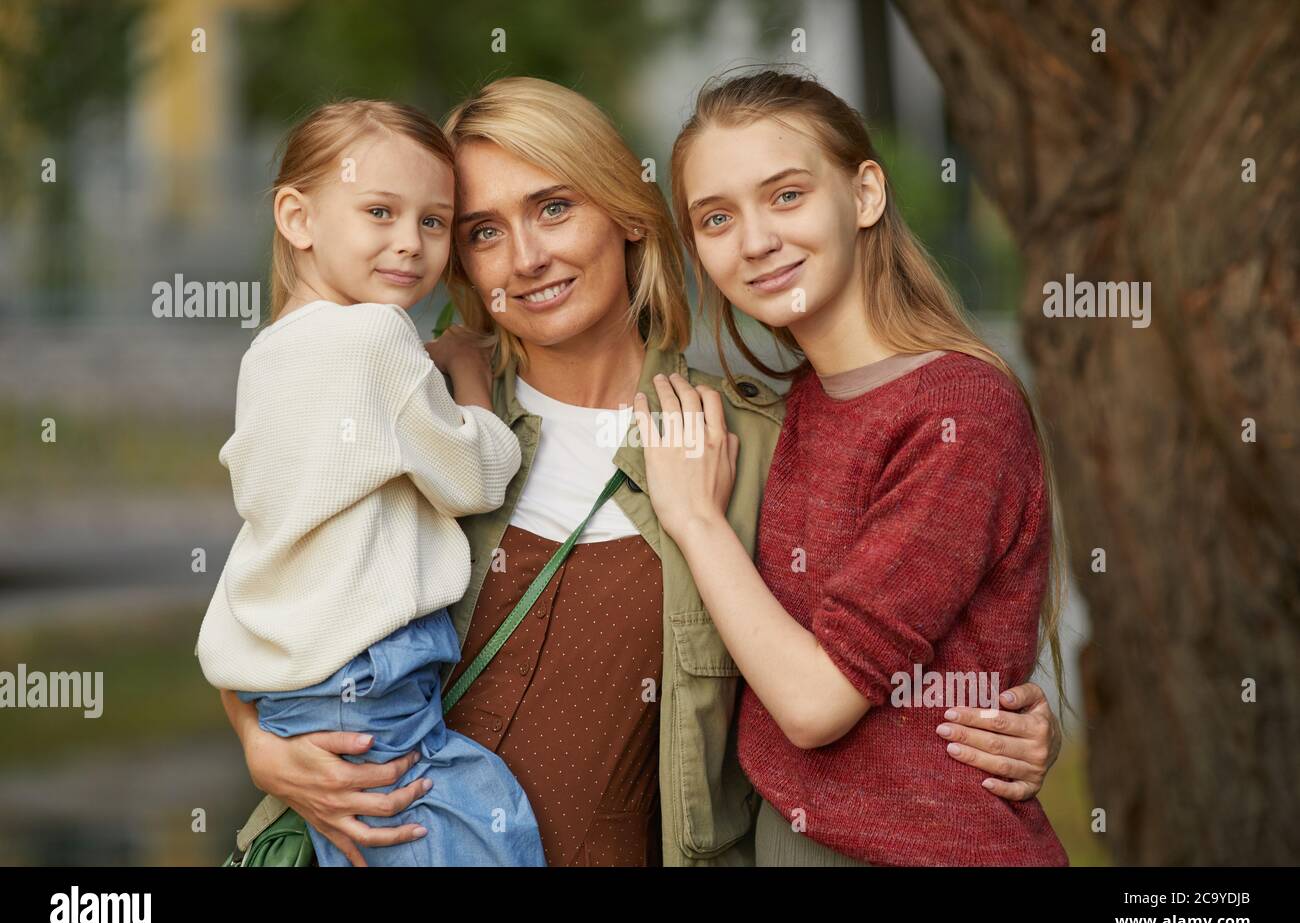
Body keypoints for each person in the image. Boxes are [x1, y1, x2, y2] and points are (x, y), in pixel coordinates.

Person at [220, 78, 1065, 867]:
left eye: (554, 208)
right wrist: (261, 745)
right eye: (481, 230)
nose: (526, 258)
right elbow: (270, 582)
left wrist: (1015, 718)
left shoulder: (760, 438)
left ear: (626, 213)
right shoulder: (421, 409)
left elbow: (856, 661)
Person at [639, 68, 1071, 865]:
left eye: (787, 195)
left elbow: (813, 703)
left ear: (865, 194)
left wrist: (697, 521)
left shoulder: (958, 412)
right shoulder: (799, 404)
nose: (757, 239)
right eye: (716, 217)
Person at [197, 99, 543, 866]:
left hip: (292, 690)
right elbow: (479, 475)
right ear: (298, 217)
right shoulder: (377, 336)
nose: (410, 244)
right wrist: (467, 375)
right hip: (371, 677)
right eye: (380, 211)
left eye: (433, 222)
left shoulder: (269, 355)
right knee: (483, 830)